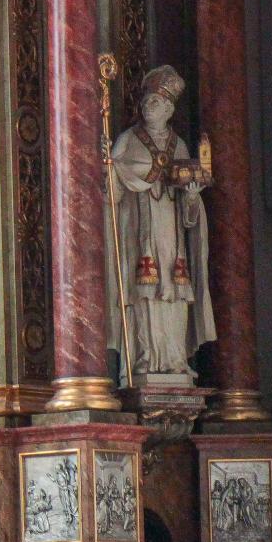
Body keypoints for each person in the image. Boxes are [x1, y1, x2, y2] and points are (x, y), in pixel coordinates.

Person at [105, 65, 217, 382]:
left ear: (168, 108)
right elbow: (112, 189)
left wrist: (192, 198)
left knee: (173, 291)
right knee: (145, 292)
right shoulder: (128, 140)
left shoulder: (179, 146)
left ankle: (174, 358)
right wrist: (111, 171)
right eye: (145, 102)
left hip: (171, 231)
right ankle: (143, 360)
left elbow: (189, 204)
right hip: (139, 229)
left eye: (154, 102)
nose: (147, 107)